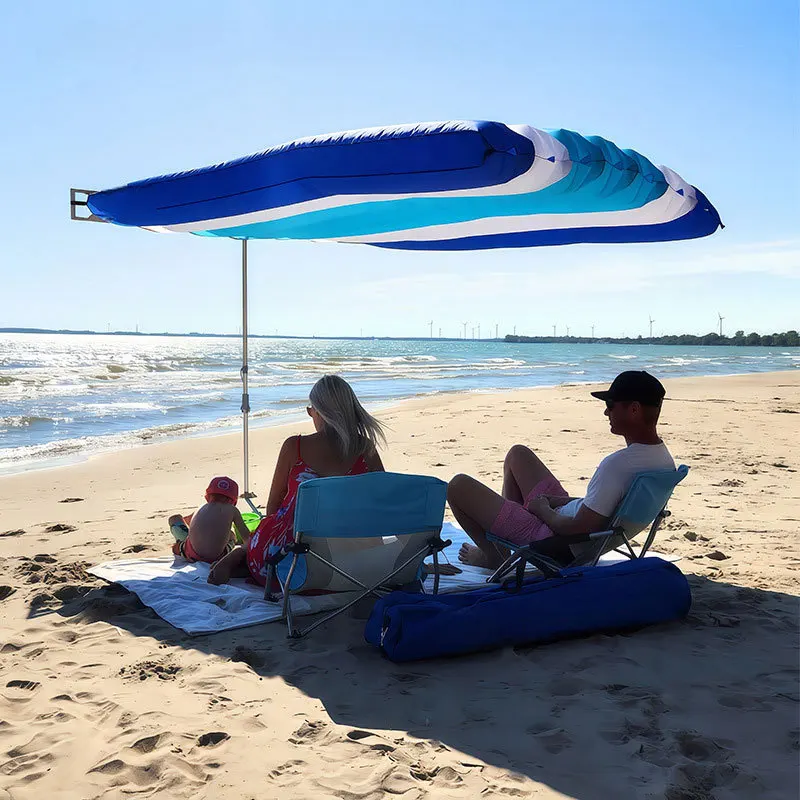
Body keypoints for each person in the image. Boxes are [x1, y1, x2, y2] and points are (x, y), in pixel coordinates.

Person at [449, 371, 675, 569]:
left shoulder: (618, 465)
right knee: (518, 454)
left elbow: (578, 530)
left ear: (634, 409)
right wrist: (555, 502)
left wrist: (543, 510)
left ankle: (494, 555)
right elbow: (608, 507)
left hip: (556, 541)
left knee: (457, 486)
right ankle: (506, 536)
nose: (606, 413)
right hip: (575, 526)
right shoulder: (662, 461)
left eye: (610, 405)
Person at [208, 375, 386, 585]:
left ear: (318, 411)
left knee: (272, 533)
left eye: (311, 410)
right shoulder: (366, 450)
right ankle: (243, 556)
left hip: (291, 566)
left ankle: (242, 555)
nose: (311, 414)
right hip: (351, 566)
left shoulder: (295, 447)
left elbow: (274, 507)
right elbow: (380, 502)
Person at [169, 476, 251, 564]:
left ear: (208, 496)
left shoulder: (201, 508)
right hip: (218, 558)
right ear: (233, 500)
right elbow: (247, 538)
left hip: (191, 554)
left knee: (175, 519)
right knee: (231, 535)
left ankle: (180, 545)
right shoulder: (232, 510)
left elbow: (189, 521)